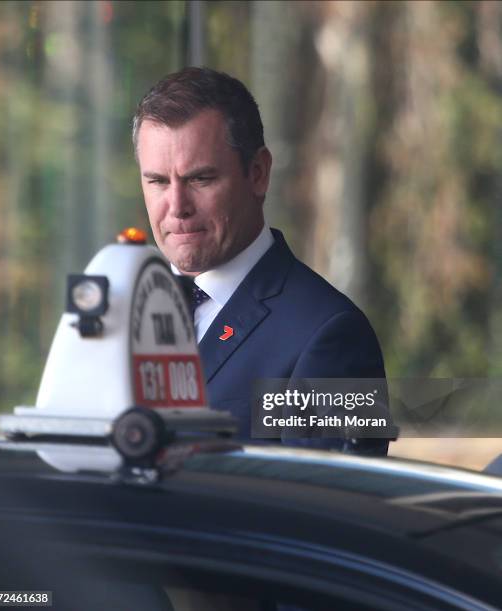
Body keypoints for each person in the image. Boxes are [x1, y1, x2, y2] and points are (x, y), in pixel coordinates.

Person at [133, 67, 389, 455]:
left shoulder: (336, 337)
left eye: (200, 179)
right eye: (158, 182)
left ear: (258, 173)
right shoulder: (115, 313)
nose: (177, 207)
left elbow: (330, 511)